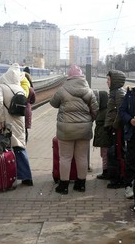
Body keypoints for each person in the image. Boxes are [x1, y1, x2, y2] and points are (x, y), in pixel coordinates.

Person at [50, 65, 99, 194]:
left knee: (65, 157)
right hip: (84, 129)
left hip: (66, 129)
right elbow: (95, 110)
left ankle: (64, 186)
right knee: (82, 157)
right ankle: (81, 184)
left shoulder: (63, 89)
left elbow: (53, 103)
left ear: (69, 76)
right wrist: (89, 120)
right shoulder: (89, 91)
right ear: (81, 76)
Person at [0, 64, 34, 187]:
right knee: (20, 148)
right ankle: (26, 176)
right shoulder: (20, 89)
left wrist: (0, 120)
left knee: (2, 147)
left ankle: (5, 175)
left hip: (6, 122)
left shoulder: (1, 87)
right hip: (19, 122)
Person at [104, 70, 127, 189]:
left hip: (117, 129)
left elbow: (120, 111)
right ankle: (115, 176)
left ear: (115, 81)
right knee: (113, 153)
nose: (107, 82)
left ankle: (120, 178)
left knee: (118, 153)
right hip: (114, 128)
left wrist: (114, 125)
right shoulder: (114, 92)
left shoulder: (119, 93)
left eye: (109, 80)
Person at [93, 91, 111, 180]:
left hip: (104, 136)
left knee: (104, 155)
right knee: (104, 154)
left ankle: (105, 172)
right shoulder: (106, 109)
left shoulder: (103, 111)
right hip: (104, 136)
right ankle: (106, 170)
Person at [23, 72, 36, 142]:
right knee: (25, 128)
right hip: (27, 109)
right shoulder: (30, 89)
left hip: (18, 109)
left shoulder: (18, 87)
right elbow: (33, 101)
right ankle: (25, 143)